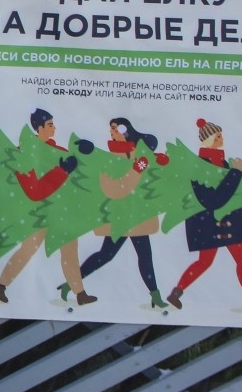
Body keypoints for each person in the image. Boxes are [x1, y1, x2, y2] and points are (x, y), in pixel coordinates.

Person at [0, 108, 95, 306]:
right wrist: (63, 170)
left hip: (59, 213)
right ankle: (1, 285)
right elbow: (35, 191)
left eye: (53, 124)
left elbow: (73, 164)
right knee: (28, 250)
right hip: (38, 214)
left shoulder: (55, 151)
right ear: (38, 128)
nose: (54, 128)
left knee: (69, 251)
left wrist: (82, 151)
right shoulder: (25, 155)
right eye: (49, 125)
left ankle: (80, 294)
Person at [69, 117, 171, 310]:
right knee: (106, 255)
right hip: (119, 217)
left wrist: (159, 161)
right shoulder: (109, 159)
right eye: (111, 129)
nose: (112, 132)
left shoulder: (138, 154)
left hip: (138, 215)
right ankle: (70, 284)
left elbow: (153, 166)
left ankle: (155, 296)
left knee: (144, 255)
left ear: (126, 131)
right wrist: (136, 170)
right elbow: (114, 189)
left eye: (116, 128)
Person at [168, 119, 242, 312]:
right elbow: (215, 199)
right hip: (210, 224)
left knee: (241, 260)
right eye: (218, 136)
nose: (221, 139)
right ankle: (176, 293)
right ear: (207, 139)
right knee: (205, 261)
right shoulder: (200, 168)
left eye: (221, 136)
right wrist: (237, 174)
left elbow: (234, 188)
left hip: (229, 221)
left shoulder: (223, 162)